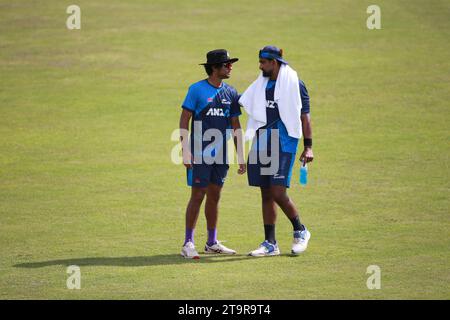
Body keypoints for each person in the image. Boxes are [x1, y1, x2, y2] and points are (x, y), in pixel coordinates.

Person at [239, 46, 314, 257]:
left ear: (275, 62)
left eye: (263, 62)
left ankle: (301, 230)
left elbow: (304, 117)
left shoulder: (295, 84)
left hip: (284, 142)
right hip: (263, 140)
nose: (260, 66)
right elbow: (245, 100)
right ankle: (270, 243)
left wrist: (308, 146)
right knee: (265, 192)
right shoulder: (261, 84)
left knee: (278, 192)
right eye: (260, 62)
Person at [179, 49, 246, 259]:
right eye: (226, 64)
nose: (230, 67)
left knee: (215, 197)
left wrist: (241, 156)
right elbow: (184, 120)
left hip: (221, 155)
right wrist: (185, 150)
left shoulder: (231, 93)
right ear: (214, 68)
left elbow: (236, 126)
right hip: (200, 154)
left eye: (230, 64)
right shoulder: (196, 90)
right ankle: (188, 243)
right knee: (198, 195)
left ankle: (211, 242)